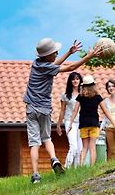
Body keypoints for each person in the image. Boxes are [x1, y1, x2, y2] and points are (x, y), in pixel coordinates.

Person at [24, 38, 101, 184]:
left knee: (34, 142)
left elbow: (53, 65)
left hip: (31, 109)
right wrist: (88, 57)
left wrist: (69, 53)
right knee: (46, 138)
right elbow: (70, 68)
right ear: (47, 55)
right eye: (54, 52)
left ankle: (35, 175)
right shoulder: (48, 67)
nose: (56, 53)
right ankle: (54, 159)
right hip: (44, 109)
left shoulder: (36, 64)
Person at [67, 75, 115, 165]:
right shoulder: (97, 97)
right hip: (94, 124)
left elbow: (74, 111)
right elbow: (105, 111)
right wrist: (113, 122)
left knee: (84, 147)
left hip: (83, 124)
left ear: (83, 86)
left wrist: (70, 124)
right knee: (92, 147)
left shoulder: (80, 97)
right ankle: (92, 166)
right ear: (94, 85)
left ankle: (81, 165)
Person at [57, 72, 83, 168]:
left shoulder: (84, 94)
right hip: (69, 121)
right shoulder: (65, 95)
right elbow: (62, 110)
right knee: (73, 146)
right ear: (70, 81)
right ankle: (67, 167)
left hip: (81, 121)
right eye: (73, 79)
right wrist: (59, 124)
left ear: (80, 80)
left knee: (80, 148)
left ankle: (76, 169)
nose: (75, 81)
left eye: (77, 78)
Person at [100, 79, 115, 160]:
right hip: (109, 127)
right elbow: (105, 116)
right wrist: (101, 127)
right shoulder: (105, 101)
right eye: (109, 86)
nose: (111, 88)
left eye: (113, 86)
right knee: (111, 150)